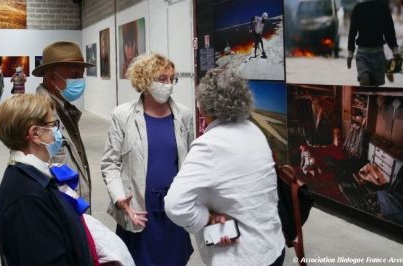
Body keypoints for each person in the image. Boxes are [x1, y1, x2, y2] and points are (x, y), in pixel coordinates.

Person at [164, 66, 285, 266]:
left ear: (202, 107)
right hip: (272, 248)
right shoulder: (255, 132)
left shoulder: (209, 145)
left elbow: (175, 206)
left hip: (240, 256)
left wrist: (207, 218)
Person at [101, 53, 195, 265]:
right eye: (162, 79)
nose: (169, 84)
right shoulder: (122, 115)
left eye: (172, 79)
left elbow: (190, 162)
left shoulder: (184, 115)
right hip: (138, 208)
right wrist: (120, 199)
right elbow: (110, 163)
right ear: (144, 80)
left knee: (175, 259)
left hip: (172, 207)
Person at [0, 94, 93, 266]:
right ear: (35, 134)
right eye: (53, 125)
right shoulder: (26, 200)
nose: (57, 132)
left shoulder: (36, 177)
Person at [33, 41, 95, 206]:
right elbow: (37, 176)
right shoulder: (38, 115)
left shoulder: (64, 108)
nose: (80, 82)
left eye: (81, 75)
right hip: (60, 212)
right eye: (74, 76)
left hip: (72, 209)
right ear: (52, 77)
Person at [347, 0, 403, 86]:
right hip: (362, 55)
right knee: (365, 81)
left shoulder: (382, 6)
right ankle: (387, 68)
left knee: (375, 87)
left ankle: (387, 66)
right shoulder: (358, 9)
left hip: (378, 54)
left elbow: (389, 30)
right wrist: (350, 53)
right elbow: (352, 32)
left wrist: (395, 50)